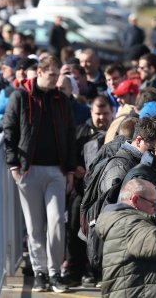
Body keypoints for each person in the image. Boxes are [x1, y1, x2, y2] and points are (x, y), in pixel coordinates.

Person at [3, 55, 76, 293]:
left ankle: (55, 271)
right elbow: (9, 130)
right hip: (28, 169)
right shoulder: (20, 97)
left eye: (58, 76)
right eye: (53, 75)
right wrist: (13, 165)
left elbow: (69, 135)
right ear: (40, 72)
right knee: (34, 226)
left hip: (56, 170)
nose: (56, 80)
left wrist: (70, 169)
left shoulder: (61, 100)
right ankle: (40, 272)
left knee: (56, 222)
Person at [64, 95, 113, 287]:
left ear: (111, 113)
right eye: (98, 114)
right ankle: (74, 270)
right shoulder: (81, 133)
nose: (101, 118)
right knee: (75, 229)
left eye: (105, 114)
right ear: (91, 113)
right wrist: (75, 167)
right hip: (81, 191)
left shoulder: (116, 133)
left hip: (105, 195)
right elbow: (70, 155)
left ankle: (95, 271)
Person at [98, 116, 156, 196]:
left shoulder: (138, 161)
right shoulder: (120, 167)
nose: (155, 154)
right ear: (139, 141)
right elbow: (112, 203)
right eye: (153, 148)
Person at [104, 79, 139, 144]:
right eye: (117, 96)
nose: (118, 99)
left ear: (133, 95)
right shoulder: (122, 110)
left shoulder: (133, 112)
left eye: (122, 96)